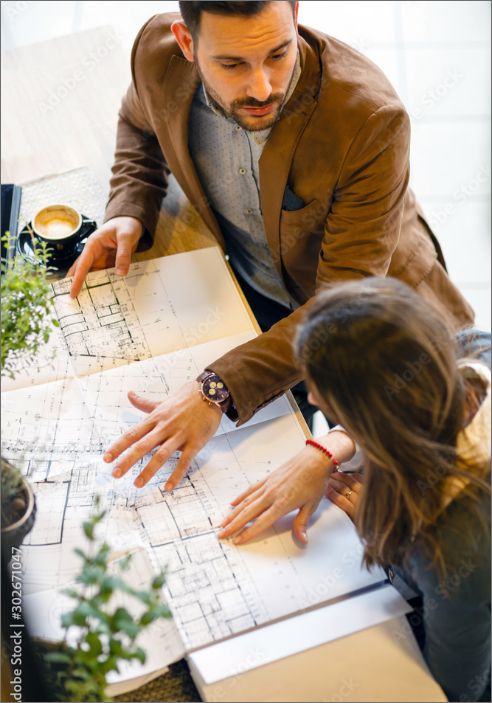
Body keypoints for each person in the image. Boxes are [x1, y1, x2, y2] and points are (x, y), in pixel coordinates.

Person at [67, 1, 474, 491]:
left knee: (385, 481)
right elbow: (138, 123)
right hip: (252, 292)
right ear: (186, 43)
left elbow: (338, 312)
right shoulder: (157, 58)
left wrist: (216, 390)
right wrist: (130, 207)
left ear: (296, 12)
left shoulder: (369, 118)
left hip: (372, 319)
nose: (262, 87)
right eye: (232, 64)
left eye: (279, 54)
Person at [219, 277, 490, 702]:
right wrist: (333, 445)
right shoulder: (474, 348)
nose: (310, 396)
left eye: (325, 399)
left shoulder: (442, 542)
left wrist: (391, 537)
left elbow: (457, 685)